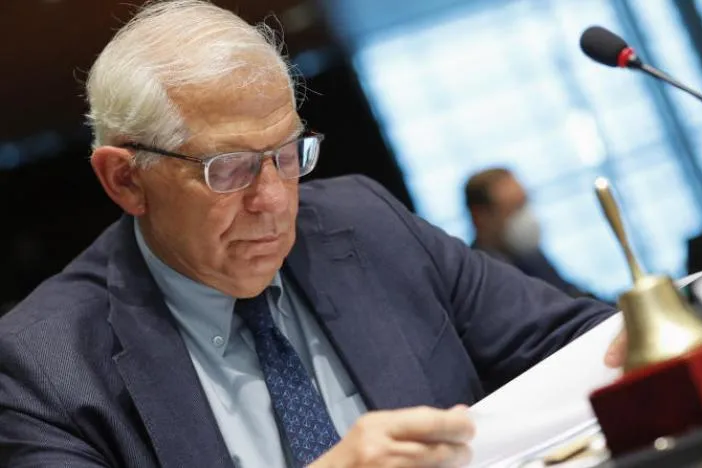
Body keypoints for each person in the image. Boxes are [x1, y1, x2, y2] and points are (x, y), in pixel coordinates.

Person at [0, 2, 624, 467]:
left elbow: (577, 343)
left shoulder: (366, 225)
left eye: (286, 154)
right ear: (126, 180)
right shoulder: (44, 366)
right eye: (229, 169)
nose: (274, 200)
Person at [465, 168, 600, 300]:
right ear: (480, 217)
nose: (526, 216)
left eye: (525, 203)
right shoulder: (483, 280)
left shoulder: (528, 254)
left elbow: (571, 295)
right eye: (515, 207)